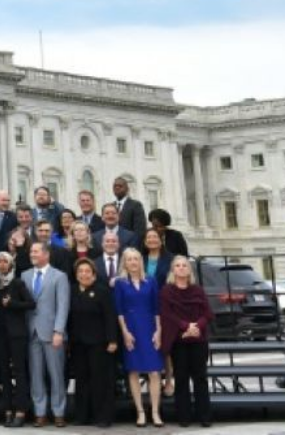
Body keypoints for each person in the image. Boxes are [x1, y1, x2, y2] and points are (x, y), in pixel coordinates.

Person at [160, 257, 214, 428]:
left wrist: (196, 327)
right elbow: (167, 314)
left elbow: (208, 313)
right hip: (179, 340)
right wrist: (186, 327)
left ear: (189, 270)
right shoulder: (167, 291)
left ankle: (204, 416)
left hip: (198, 339)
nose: (181, 268)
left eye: (184, 266)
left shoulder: (197, 290)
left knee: (200, 378)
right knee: (181, 379)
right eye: (178, 265)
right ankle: (184, 417)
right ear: (172, 270)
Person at [114, 248, 165, 428]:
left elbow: (157, 308)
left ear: (140, 262)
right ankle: (140, 412)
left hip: (149, 328)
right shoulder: (120, 283)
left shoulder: (151, 281)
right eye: (129, 259)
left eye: (136, 259)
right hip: (131, 329)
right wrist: (125, 332)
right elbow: (119, 311)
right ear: (125, 262)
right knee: (134, 371)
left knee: (154, 372)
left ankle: (155, 412)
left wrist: (158, 331)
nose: (133, 262)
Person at [67, 258, 118, 428]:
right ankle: (82, 416)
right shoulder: (72, 291)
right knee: (81, 380)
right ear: (76, 275)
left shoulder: (102, 291)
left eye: (87, 271)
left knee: (100, 380)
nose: (84, 274)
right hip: (78, 343)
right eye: (80, 271)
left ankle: (102, 416)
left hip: (100, 343)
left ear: (94, 274)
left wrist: (112, 339)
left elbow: (110, 317)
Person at [26, 241, 70, 426]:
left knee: (56, 374)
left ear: (46, 254)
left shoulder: (59, 276)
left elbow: (63, 306)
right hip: (31, 332)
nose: (32, 254)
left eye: (36, 251)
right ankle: (40, 412)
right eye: (31, 251)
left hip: (53, 333)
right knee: (36, 375)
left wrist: (58, 331)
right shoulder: (25, 275)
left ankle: (59, 411)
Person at [0, 249, 33, 428]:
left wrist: (12, 304)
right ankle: (7, 410)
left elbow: (31, 303)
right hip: (0, 333)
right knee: (4, 373)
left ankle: (21, 411)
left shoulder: (17, 283)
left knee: (20, 372)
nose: (2, 264)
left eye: (5, 261)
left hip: (17, 333)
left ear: (11, 264)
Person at [112, 177, 148, 244]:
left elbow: (140, 230)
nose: (117, 188)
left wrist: (133, 246)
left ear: (127, 189)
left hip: (130, 247)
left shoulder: (136, 205)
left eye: (120, 186)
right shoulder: (110, 206)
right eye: (115, 186)